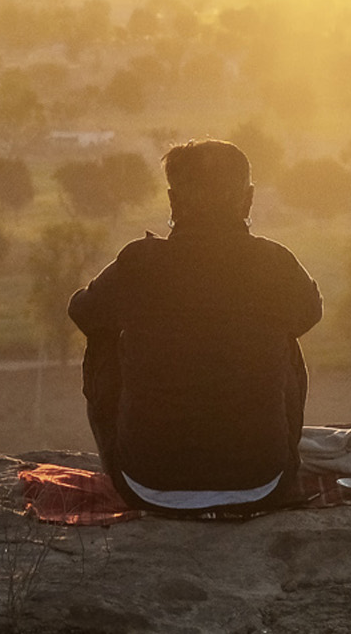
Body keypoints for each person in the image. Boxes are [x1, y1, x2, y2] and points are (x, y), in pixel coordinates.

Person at [68, 139, 321, 515]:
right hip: (263, 483)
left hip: (146, 484)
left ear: (173, 200)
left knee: (102, 337)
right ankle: (272, 444)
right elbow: (308, 314)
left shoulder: (140, 262)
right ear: (247, 199)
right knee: (285, 337)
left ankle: (133, 442)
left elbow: (83, 312)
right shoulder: (275, 263)